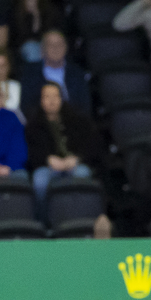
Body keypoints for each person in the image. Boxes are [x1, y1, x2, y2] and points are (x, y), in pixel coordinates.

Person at [25, 81, 101, 220]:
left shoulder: (79, 121)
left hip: (74, 164)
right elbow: (31, 152)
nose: (52, 101)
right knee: (39, 181)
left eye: (55, 96)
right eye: (47, 97)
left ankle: (80, 219)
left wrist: (77, 158)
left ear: (62, 99)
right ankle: (44, 221)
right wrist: (47, 159)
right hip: (48, 166)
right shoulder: (33, 125)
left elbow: (92, 145)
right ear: (41, 101)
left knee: (82, 174)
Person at [22, 30, 91, 117]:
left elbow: (84, 106)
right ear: (43, 49)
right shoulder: (31, 73)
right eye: (51, 45)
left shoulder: (77, 73)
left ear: (66, 47)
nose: (56, 48)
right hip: (41, 123)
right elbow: (27, 105)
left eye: (59, 44)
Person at [6, 0, 64, 64]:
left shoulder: (50, 11)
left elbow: (54, 32)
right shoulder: (14, 11)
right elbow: (15, 38)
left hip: (46, 46)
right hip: (23, 49)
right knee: (31, 48)